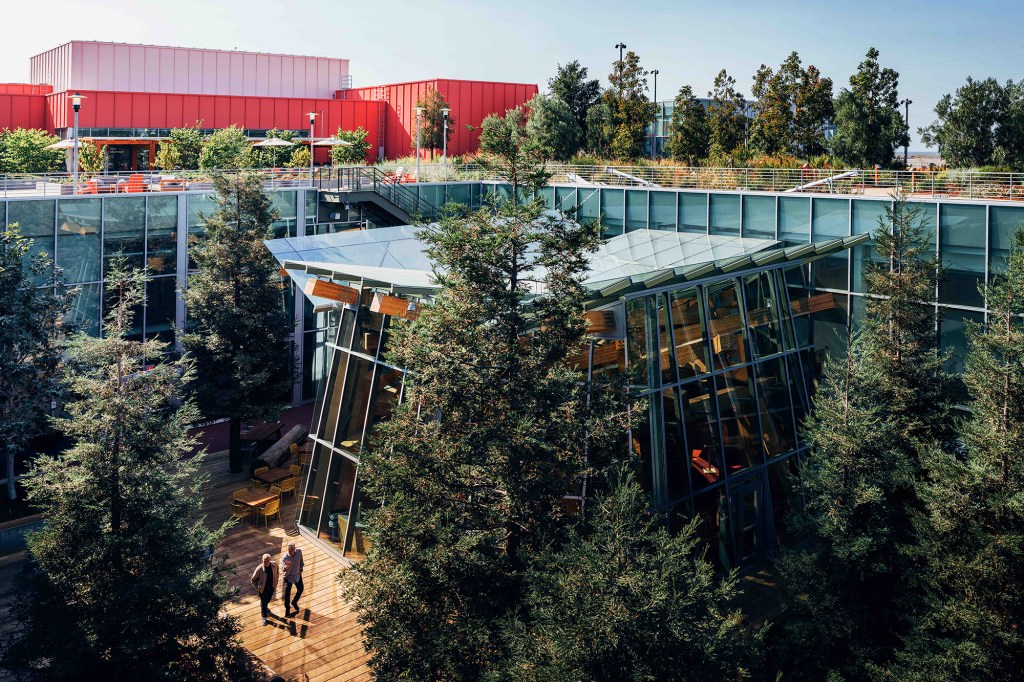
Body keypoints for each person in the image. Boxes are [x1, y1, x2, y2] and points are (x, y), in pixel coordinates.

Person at [251, 553, 279, 626]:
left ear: (270, 560)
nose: (266, 563)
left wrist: (276, 581)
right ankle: (264, 618)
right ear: (262, 560)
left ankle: (265, 607)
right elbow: (253, 579)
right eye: (264, 561)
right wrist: (257, 588)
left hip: (271, 588)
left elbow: (277, 572)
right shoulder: (259, 569)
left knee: (268, 600)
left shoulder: (274, 565)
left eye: (267, 561)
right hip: (263, 590)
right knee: (264, 603)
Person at [281, 541, 305, 617]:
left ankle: (294, 602)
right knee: (287, 594)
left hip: (297, 575)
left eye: (292, 550)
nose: (290, 552)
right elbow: (283, 569)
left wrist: (301, 569)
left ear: (294, 549)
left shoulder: (299, 552)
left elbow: (301, 561)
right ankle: (287, 608)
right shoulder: (285, 557)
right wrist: (286, 566)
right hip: (288, 578)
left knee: (301, 589)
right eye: (289, 550)